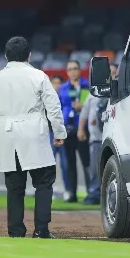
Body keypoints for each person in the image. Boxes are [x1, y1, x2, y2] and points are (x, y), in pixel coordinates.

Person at [0, 36, 67, 238]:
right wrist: (59, 132)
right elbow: (53, 107)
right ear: (29, 55)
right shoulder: (38, 76)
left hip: (8, 133)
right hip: (34, 131)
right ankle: (41, 229)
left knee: (14, 186)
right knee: (44, 182)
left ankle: (15, 230)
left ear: (6, 56)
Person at [58, 60, 90, 203]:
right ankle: (72, 194)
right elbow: (58, 108)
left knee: (86, 162)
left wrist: (82, 106)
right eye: (70, 69)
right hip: (67, 129)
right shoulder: (64, 88)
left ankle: (91, 192)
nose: (73, 71)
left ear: (80, 70)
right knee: (69, 163)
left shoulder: (86, 86)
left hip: (82, 128)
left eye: (75, 68)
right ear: (67, 71)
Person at [76, 92, 102, 205]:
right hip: (96, 138)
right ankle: (94, 194)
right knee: (94, 168)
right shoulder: (94, 94)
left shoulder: (119, 89)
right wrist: (81, 129)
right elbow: (84, 113)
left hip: (114, 136)